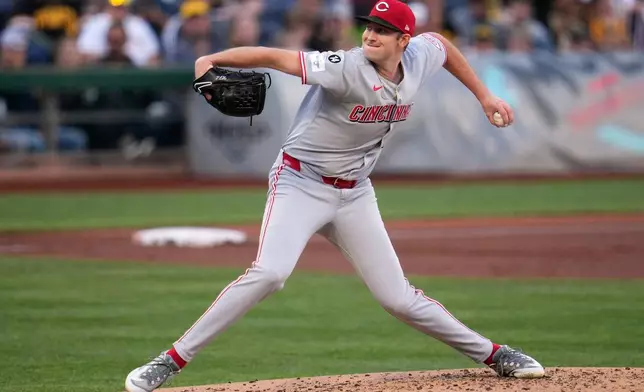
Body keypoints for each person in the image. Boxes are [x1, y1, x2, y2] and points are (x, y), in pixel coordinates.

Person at [124, 1, 544, 391]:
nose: (371, 35)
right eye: (369, 27)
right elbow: (276, 58)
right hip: (299, 183)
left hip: (355, 193)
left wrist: (485, 96)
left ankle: (494, 354)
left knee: (398, 298)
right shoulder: (344, 66)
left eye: (384, 30)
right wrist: (211, 60)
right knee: (270, 273)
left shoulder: (418, 58)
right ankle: (170, 360)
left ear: (404, 41)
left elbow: (445, 46)